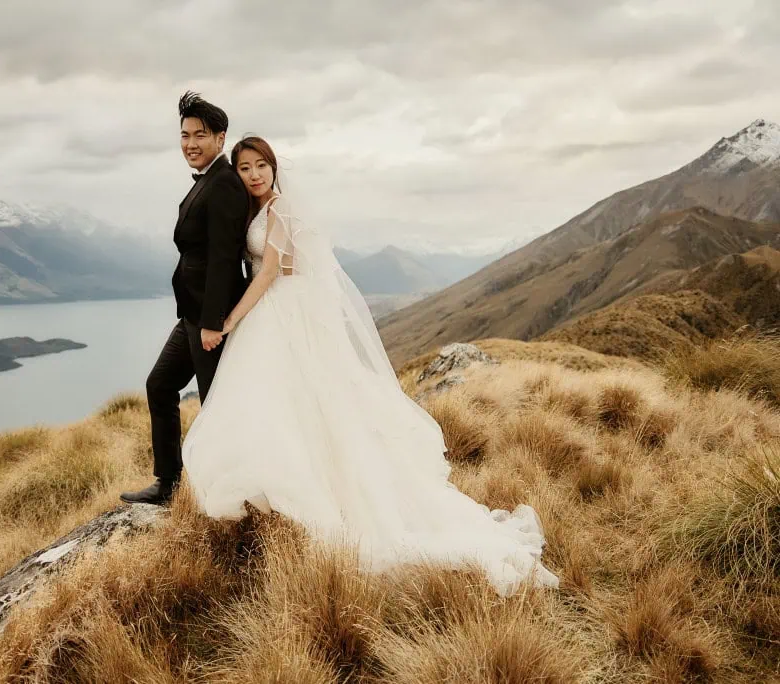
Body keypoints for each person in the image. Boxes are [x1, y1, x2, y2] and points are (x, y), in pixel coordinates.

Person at [178, 136, 559, 596]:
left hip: (279, 313)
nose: (255, 174)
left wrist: (230, 319)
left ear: (275, 169)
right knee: (279, 406)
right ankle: (269, 499)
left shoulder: (279, 210)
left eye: (262, 165)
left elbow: (271, 271)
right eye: (245, 168)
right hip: (273, 316)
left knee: (297, 404)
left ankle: (318, 501)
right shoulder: (255, 211)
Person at [120, 92, 250, 506]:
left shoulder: (226, 183)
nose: (190, 143)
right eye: (184, 135)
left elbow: (224, 259)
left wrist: (213, 321)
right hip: (192, 314)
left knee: (215, 405)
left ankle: (230, 493)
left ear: (220, 137)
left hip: (210, 317)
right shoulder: (209, 181)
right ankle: (167, 482)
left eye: (200, 135)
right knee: (160, 385)